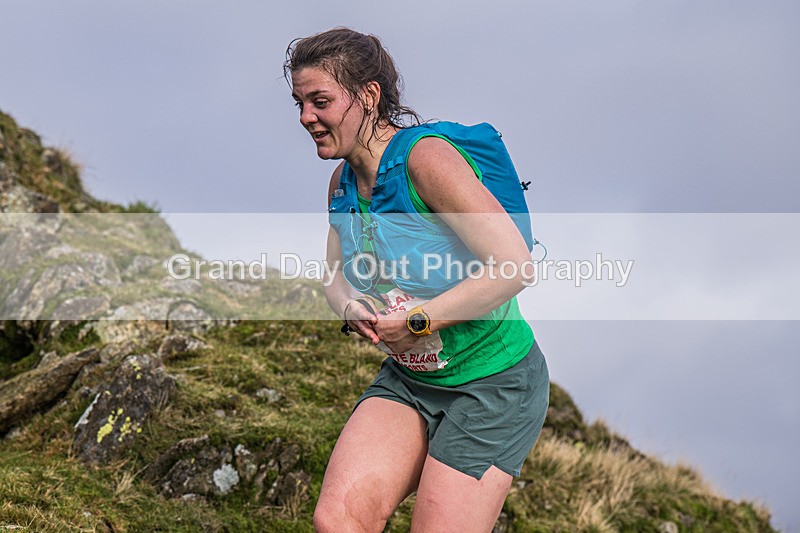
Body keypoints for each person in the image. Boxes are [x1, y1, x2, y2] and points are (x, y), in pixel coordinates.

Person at [284, 28, 549, 532]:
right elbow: (335, 278)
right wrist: (350, 307)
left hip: (494, 386)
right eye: (299, 103)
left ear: (367, 96)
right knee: (338, 520)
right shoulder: (342, 184)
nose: (305, 118)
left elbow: (514, 265)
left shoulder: (425, 161)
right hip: (412, 381)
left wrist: (420, 321)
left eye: (320, 101)